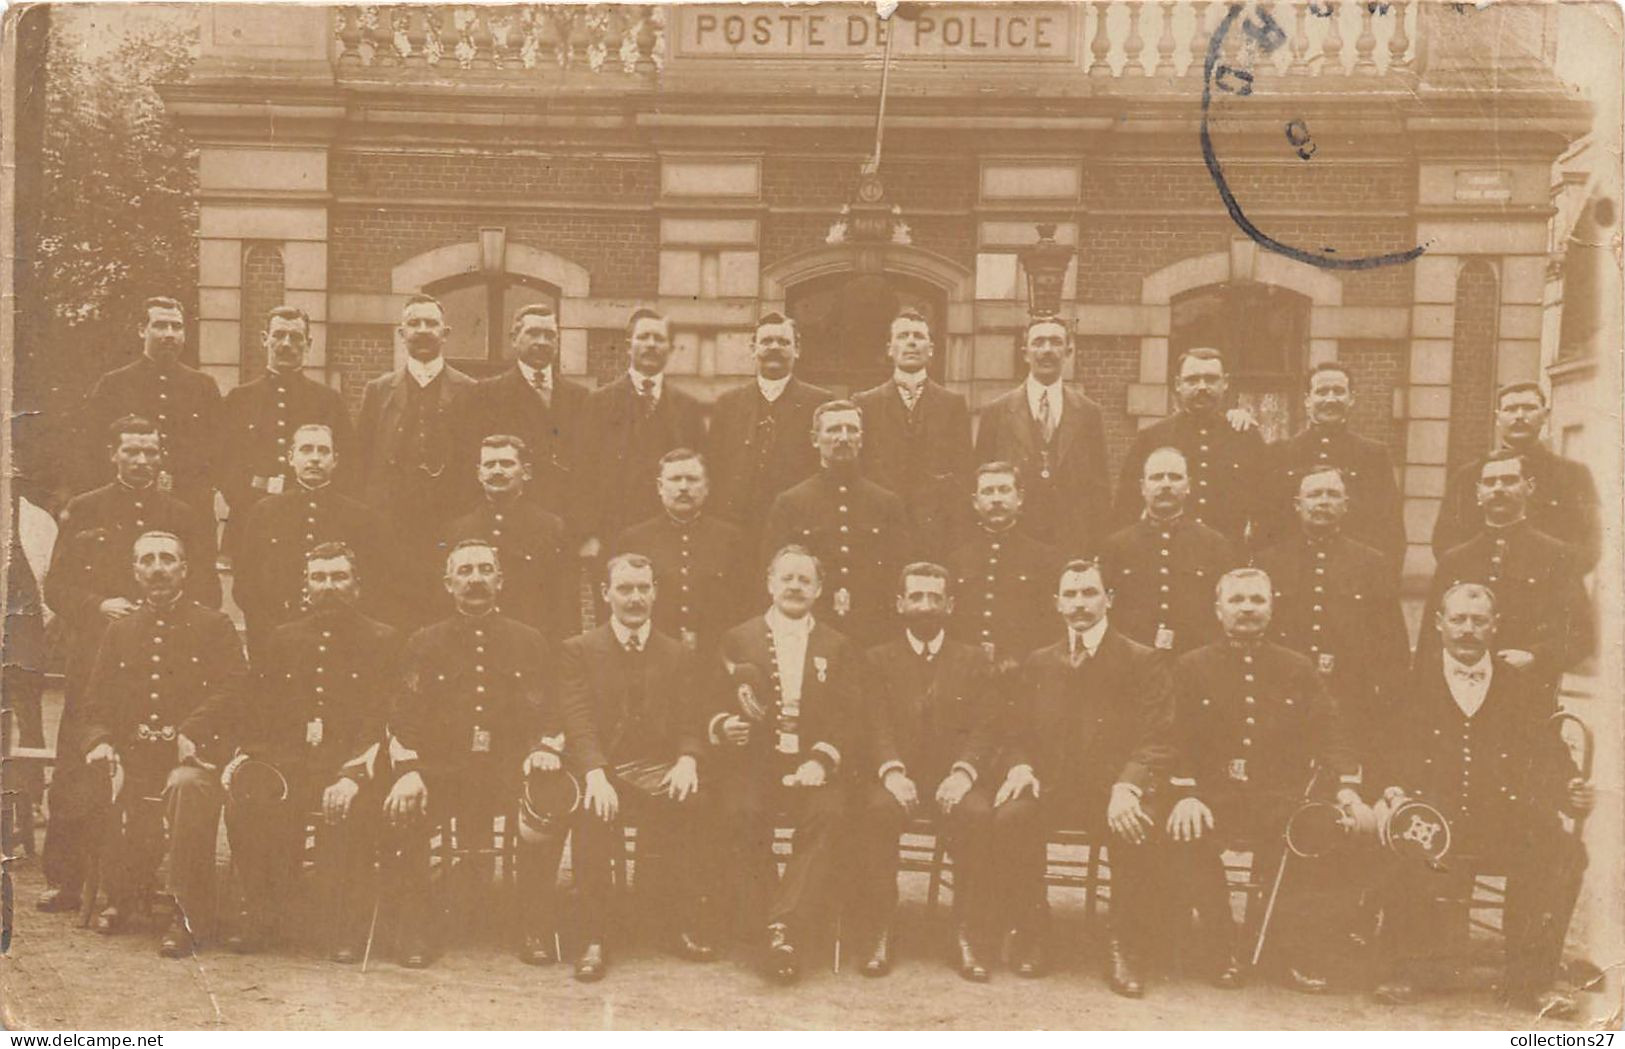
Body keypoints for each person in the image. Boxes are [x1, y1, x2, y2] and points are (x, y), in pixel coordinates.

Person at [1371, 583, 1592, 1018]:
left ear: (1495, 627)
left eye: (1478, 621)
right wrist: (1392, 790)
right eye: (1458, 619)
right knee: (1407, 839)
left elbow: (1551, 753)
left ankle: (1531, 980)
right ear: (1438, 625)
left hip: (1504, 819)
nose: (1467, 629)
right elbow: (1384, 750)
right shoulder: (1408, 682)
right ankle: (1411, 968)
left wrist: (1569, 790)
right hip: (1437, 817)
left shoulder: (1523, 686)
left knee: (1562, 851)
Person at [36, 416, 219, 915]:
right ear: (112, 454)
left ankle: (140, 878)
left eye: (150, 452)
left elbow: (206, 589)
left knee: (152, 767)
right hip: (96, 654)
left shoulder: (182, 513)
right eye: (131, 451)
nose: (141, 461)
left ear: (162, 457)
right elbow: (56, 587)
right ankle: (67, 878)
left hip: (164, 663)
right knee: (80, 764)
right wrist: (99, 605)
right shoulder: (85, 509)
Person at [1163, 568, 1367, 992]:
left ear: (1272, 608)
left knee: (1315, 828)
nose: (1247, 608)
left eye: (1257, 600)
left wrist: (1347, 787)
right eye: (1236, 600)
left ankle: (1282, 947)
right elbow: (1171, 736)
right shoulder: (1190, 666)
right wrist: (1186, 792)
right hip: (1212, 795)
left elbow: (1331, 731)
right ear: (1218, 610)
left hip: (1279, 796)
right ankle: (1221, 946)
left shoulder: (1297, 668)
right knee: (1186, 831)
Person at [989, 559, 1175, 993]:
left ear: (1108, 600)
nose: (1079, 604)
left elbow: (1159, 737)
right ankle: (1034, 929)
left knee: (1136, 825)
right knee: (1010, 818)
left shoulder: (1141, 660)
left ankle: (1123, 942)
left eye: (1089, 592)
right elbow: (1012, 730)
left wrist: (1128, 784)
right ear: (1056, 603)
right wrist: (1020, 766)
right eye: (1070, 595)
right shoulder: (1039, 662)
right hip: (1054, 787)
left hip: (1113, 790)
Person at [381, 540, 560, 968]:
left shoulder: (529, 641)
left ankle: (533, 923)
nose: (475, 579)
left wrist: (542, 750)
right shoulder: (424, 643)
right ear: (448, 583)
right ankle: (416, 927)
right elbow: (402, 717)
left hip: (508, 772)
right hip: (443, 773)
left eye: (484, 570)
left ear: (501, 579)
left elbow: (550, 714)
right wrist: (408, 769)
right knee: (404, 804)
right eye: (464, 572)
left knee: (548, 798)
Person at [222, 542, 398, 960]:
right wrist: (254, 758)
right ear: (306, 587)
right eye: (319, 578)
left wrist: (352, 775)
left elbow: (383, 717)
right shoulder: (282, 639)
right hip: (292, 763)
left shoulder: (383, 639)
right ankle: (265, 914)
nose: (329, 587)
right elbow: (261, 711)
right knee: (250, 800)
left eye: (338, 577)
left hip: (356, 765)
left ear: (357, 586)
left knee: (352, 807)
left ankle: (343, 926)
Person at [79, 531, 245, 956]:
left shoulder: (214, 625)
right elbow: (95, 701)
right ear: (135, 572)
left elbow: (234, 689)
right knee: (107, 778)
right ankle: (123, 894)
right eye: (147, 560)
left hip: (194, 756)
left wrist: (193, 728)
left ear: (184, 570)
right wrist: (100, 741)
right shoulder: (121, 631)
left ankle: (186, 913)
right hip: (135, 755)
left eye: (168, 560)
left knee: (185, 788)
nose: (158, 568)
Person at [558, 554, 718, 981]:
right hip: (603, 769)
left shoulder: (678, 653)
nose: (635, 598)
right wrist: (594, 771)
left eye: (643, 588)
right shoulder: (579, 650)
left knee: (693, 799)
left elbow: (690, 719)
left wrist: (687, 759)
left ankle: (676, 923)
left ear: (655, 593)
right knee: (594, 811)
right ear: (606, 594)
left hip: (656, 767)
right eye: (625, 589)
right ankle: (594, 935)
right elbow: (577, 719)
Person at [708, 545, 860, 982]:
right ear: (769, 584)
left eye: (804, 580)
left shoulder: (838, 644)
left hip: (813, 764)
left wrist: (821, 760)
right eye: (786, 578)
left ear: (819, 590)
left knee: (828, 814)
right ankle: (777, 922)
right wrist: (723, 726)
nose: (795, 586)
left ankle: (782, 925)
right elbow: (713, 698)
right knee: (741, 811)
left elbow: (849, 717)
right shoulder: (738, 637)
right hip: (754, 762)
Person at [851, 563, 1003, 981]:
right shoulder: (877, 659)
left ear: (950, 605)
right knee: (876, 811)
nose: (925, 606)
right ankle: (880, 927)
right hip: (896, 777)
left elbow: (986, 725)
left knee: (976, 815)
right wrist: (891, 771)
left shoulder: (973, 659)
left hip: (953, 778)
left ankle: (966, 932)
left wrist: (964, 773)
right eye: (916, 596)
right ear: (899, 603)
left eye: (935, 597)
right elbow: (873, 722)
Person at [1255, 466, 1409, 763]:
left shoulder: (1372, 564)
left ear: (1345, 505)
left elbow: (1392, 645)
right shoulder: (1269, 562)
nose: (1323, 502)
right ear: (1298, 505)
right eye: (1314, 494)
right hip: (1282, 697)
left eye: (1332, 495)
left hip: (1350, 698)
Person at [1418, 450, 1595, 700]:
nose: (1498, 489)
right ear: (1478, 493)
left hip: (1527, 692)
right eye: (1490, 482)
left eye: (1509, 480)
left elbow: (1582, 635)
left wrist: (1536, 656)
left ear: (1529, 487)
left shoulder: (1556, 556)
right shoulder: (1455, 560)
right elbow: (1430, 640)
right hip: (1460, 696)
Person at [355, 293, 476, 607]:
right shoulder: (378, 391)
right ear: (401, 333)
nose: (423, 330)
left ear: (445, 333)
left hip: (447, 528)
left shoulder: (470, 391)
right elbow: (362, 462)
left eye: (431, 323)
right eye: (414, 323)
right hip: (390, 531)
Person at [233, 423, 395, 656]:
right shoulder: (264, 512)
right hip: (275, 635)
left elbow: (374, 582)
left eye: (323, 451)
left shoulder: (360, 517)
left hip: (342, 640)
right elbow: (246, 584)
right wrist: (273, 631)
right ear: (291, 457)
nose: (315, 459)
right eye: (306, 450)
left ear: (335, 460)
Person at [760, 400, 909, 641]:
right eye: (833, 430)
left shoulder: (886, 503)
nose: (843, 437)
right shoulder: (790, 503)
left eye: (851, 429)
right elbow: (773, 574)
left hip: (873, 629)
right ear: (814, 439)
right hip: (811, 629)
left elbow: (898, 574)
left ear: (861, 439)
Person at [218, 305, 355, 551]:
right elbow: (223, 462)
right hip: (251, 516)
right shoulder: (239, 399)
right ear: (264, 339)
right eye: (279, 335)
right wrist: (244, 499)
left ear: (308, 343)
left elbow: (347, 464)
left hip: (314, 519)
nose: (286, 344)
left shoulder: (328, 401)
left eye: (295, 337)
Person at [574, 307, 707, 558]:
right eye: (643, 337)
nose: (651, 344)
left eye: (659, 339)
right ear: (628, 345)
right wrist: (588, 533)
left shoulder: (687, 407)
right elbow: (583, 471)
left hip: (670, 534)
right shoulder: (598, 403)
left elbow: (700, 473)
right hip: (612, 533)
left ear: (670, 348)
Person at [972, 316, 1109, 555]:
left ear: (1069, 351)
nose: (1047, 350)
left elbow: (1099, 489)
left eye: (1056, 342)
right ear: (1025, 352)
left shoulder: (1089, 413)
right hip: (1014, 544)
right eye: (1038, 342)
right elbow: (979, 482)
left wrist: (1096, 549)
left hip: (1071, 544)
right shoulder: (997, 412)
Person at [1432, 382, 1600, 570]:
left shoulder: (1573, 475)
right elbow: (1445, 544)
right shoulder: (1467, 477)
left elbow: (1588, 548)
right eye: (1510, 409)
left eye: (1529, 408)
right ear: (1498, 417)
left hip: (1550, 591)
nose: (1519, 416)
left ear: (1545, 415)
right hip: (1484, 590)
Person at [1257, 363, 1405, 574]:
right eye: (1321, 392)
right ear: (1307, 400)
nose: (1330, 399)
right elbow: (1265, 526)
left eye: (1338, 391)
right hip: (1292, 574)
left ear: (1351, 398)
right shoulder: (1280, 454)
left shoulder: (1373, 455)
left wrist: (1382, 585)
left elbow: (1391, 530)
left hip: (1353, 576)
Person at [79, 297, 222, 511]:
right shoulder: (114, 384)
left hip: (190, 503)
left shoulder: (203, 386)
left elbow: (219, 448)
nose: (169, 334)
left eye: (177, 327)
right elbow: (92, 447)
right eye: (160, 326)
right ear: (142, 330)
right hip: (126, 503)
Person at [852, 309, 973, 559]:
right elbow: (859, 469)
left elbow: (963, 470)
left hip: (936, 529)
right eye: (903, 336)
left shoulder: (952, 404)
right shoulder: (865, 403)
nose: (911, 342)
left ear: (930, 348)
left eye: (918, 336)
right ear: (890, 348)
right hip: (880, 525)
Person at [705, 312, 830, 552]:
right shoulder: (728, 404)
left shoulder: (818, 402)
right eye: (766, 341)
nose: (774, 347)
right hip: (736, 530)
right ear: (753, 348)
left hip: (799, 528)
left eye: (783, 342)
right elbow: (714, 467)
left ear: (797, 350)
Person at [451, 303, 588, 522]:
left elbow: (589, 469)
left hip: (566, 521)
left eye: (549, 335)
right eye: (533, 333)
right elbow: (469, 465)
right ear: (514, 338)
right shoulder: (484, 395)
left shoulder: (580, 397)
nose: (541, 342)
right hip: (509, 520)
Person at [1114, 348, 1265, 546]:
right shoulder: (1151, 438)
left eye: (1211, 379)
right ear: (1178, 384)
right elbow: (1126, 509)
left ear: (1225, 383)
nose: (1202, 387)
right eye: (1192, 380)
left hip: (1230, 558)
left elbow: (1265, 510)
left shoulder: (1245, 437)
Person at [1098, 447, 1237, 656]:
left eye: (1174, 477)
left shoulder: (1214, 545)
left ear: (1188, 486)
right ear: (1143, 487)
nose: (1165, 484)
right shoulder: (1116, 547)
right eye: (1157, 478)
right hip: (1134, 665)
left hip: (1194, 662)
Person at [611, 449, 746, 655]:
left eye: (692, 479)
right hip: (653, 658)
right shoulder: (633, 539)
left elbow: (745, 605)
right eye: (675, 479)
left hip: (716, 658)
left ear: (707, 487)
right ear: (659, 486)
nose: (684, 487)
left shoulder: (732, 539)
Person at [441, 434, 568, 638]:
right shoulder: (458, 530)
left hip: (532, 642)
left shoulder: (550, 527)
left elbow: (561, 599)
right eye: (490, 465)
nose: (497, 471)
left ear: (525, 472)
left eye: (507, 464)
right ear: (479, 474)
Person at [943, 462, 1062, 665]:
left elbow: (1052, 625)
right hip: (968, 673)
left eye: (1004, 490)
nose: (996, 499)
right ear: (975, 501)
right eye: (988, 492)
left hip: (1024, 673)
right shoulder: (956, 560)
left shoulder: (1045, 558)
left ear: (1020, 498)